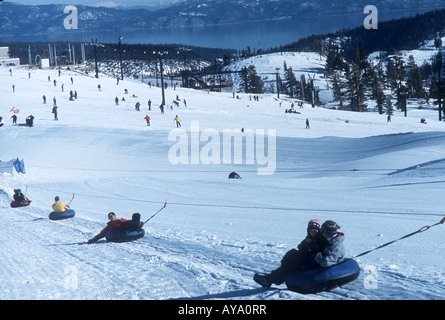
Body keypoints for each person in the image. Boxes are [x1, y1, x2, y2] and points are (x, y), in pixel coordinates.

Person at [253, 219, 325, 288]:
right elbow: (301, 246)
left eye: (315, 229)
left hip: (313, 261)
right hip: (306, 257)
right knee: (291, 253)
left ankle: (269, 280)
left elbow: (319, 252)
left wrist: (312, 249)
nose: (313, 231)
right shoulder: (309, 238)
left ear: (319, 230)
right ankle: (278, 273)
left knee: (291, 265)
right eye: (311, 229)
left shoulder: (320, 239)